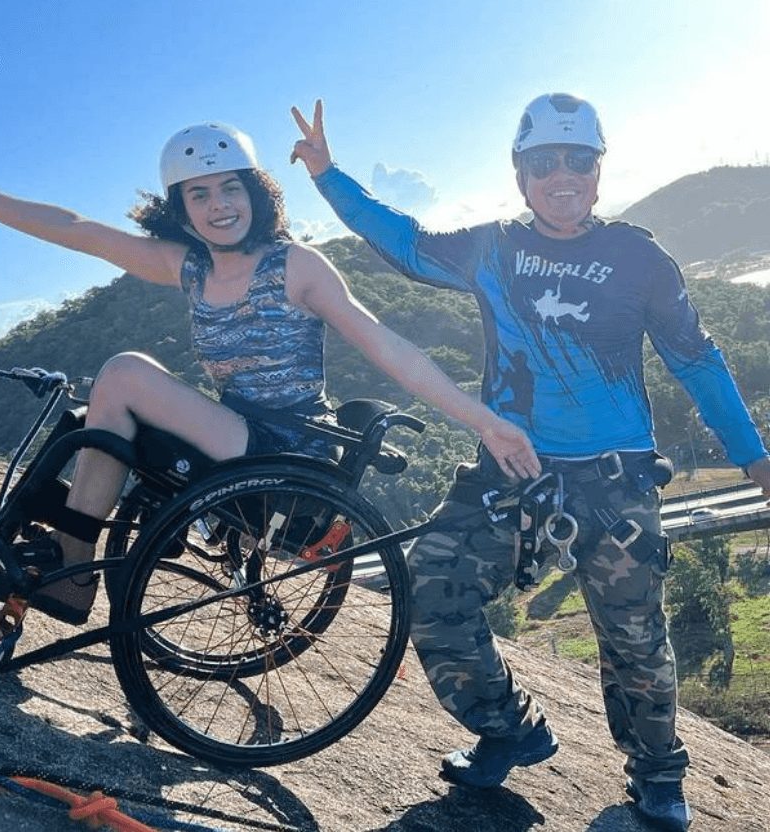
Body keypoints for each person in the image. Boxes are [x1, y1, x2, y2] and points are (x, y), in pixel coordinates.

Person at [291, 94, 770, 831]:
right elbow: (405, 242)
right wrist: (327, 174)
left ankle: (657, 776)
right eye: (544, 161)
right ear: (522, 173)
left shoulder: (639, 257)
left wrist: (753, 457)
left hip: (615, 481)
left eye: (578, 159)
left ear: (598, 167)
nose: (562, 174)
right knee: (433, 589)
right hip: (511, 471)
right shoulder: (495, 249)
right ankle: (508, 729)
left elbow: (697, 360)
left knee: (634, 638)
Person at [0, 121, 539, 644]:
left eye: (230, 188)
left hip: (288, 449)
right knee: (93, 419)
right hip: (237, 433)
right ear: (181, 210)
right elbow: (80, 231)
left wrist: (485, 423)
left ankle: (72, 562)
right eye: (199, 194)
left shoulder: (295, 266)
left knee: (123, 373)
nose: (218, 205)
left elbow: (387, 346)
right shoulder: (190, 267)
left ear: (255, 193)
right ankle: (68, 557)